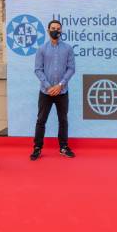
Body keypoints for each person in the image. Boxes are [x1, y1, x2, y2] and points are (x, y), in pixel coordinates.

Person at [30, 20, 76, 160]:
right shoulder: (42, 49)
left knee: (63, 120)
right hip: (46, 92)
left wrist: (60, 85)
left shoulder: (68, 49)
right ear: (48, 30)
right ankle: (37, 148)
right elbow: (38, 70)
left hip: (62, 91)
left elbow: (71, 69)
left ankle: (63, 146)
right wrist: (49, 86)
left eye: (58, 28)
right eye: (53, 28)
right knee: (41, 120)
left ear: (61, 31)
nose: (55, 30)